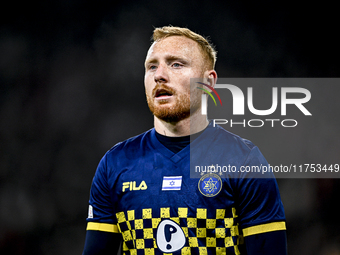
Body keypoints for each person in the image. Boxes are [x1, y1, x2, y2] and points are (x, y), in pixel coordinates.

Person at [82, 26, 287, 255]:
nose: (159, 74)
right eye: (152, 66)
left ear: (209, 82)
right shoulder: (116, 163)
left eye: (176, 64)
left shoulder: (244, 161)